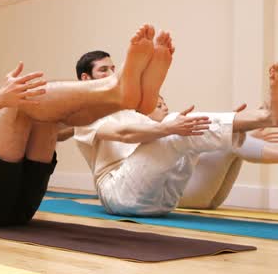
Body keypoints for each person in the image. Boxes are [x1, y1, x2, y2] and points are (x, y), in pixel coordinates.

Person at [0, 24, 171, 226]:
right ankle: (117, 89)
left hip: (20, 205)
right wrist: (1, 99)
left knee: (45, 113)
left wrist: (54, 113)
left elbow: (56, 128)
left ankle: (125, 100)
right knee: (22, 99)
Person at [64, 50, 278, 210]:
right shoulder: (83, 116)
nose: (112, 73)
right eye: (104, 70)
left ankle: (260, 118)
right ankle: (264, 116)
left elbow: (165, 136)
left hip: (163, 200)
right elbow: (124, 134)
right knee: (175, 124)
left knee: (184, 128)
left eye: (113, 68)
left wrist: (230, 125)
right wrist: (171, 126)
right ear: (85, 78)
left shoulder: (132, 112)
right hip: (117, 193)